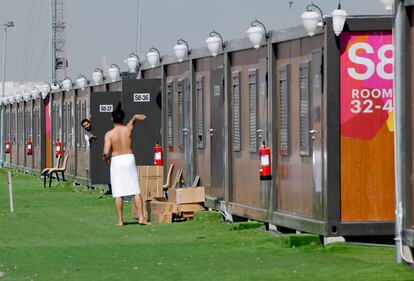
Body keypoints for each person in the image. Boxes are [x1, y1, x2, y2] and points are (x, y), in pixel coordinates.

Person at [102, 106, 148, 226]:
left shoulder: (109, 134)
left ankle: (120, 221)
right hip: (129, 158)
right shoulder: (127, 129)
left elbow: (106, 151)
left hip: (117, 160)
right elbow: (132, 123)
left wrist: (105, 158)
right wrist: (134, 118)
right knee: (135, 190)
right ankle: (141, 218)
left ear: (112, 119)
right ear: (123, 118)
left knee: (118, 192)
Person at [81, 118, 112, 196]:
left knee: (110, 169)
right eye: (84, 126)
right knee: (104, 171)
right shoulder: (86, 134)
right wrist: (91, 139)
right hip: (97, 153)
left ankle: (114, 189)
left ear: (89, 123)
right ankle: (109, 189)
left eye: (87, 124)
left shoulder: (96, 128)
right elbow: (89, 145)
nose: (86, 126)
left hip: (105, 152)